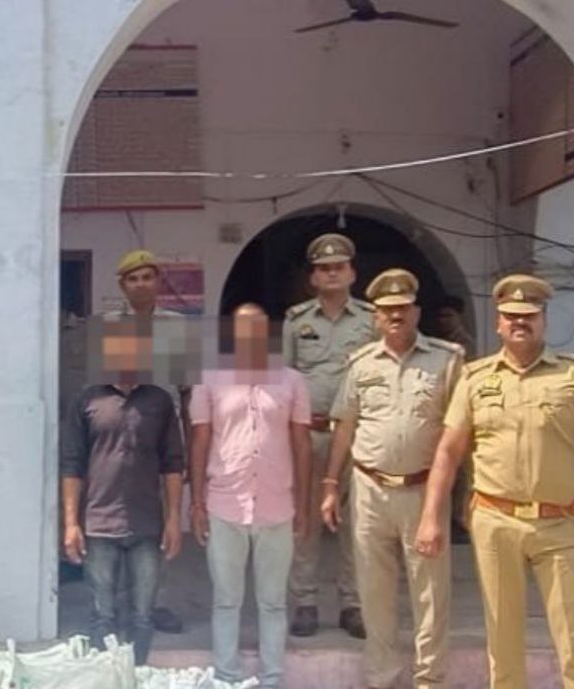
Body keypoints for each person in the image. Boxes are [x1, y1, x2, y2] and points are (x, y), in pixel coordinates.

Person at [415, 274, 574, 689]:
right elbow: (448, 451)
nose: (520, 322)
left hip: (560, 524)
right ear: (498, 322)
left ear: (543, 319)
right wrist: (431, 517)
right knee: (502, 642)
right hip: (495, 521)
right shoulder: (475, 378)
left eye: (529, 315)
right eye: (511, 315)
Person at [321, 269, 463, 688]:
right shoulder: (361, 363)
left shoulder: (447, 360)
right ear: (376, 318)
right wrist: (330, 485)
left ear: (416, 312)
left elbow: (461, 434)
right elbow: (344, 426)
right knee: (374, 590)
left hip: (424, 490)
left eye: (403, 308)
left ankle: (430, 679)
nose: (396, 316)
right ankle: (382, 676)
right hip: (369, 489)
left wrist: (463, 496)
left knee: (430, 592)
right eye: (387, 310)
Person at [190, 303, 313, 687]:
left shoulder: (292, 381)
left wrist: (303, 504)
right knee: (227, 600)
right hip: (224, 504)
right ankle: (226, 678)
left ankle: (271, 678)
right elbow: (199, 441)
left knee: (273, 602)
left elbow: (302, 444)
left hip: (277, 506)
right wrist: (196, 503)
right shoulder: (209, 379)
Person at [61, 316, 185, 665]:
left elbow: (173, 464)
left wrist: (174, 519)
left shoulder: (159, 401)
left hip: (147, 525)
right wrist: (71, 524)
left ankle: (135, 676)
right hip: (99, 525)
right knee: (103, 618)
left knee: (142, 618)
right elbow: (71, 465)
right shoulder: (87, 401)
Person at [283, 232, 376, 638]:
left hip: (359, 435)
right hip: (312, 433)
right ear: (313, 277)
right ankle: (305, 601)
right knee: (306, 520)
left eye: (339, 267)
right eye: (324, 268)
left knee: (357, 523)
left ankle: (352, 603)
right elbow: (284, 380)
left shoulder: (372, 320)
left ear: (352, 272)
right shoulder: (296, 321)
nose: (332, 273)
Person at [100, 248, 190, 635]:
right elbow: (97, 390)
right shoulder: (108, 326)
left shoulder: (177, 327)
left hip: (163, 436)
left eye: (147, 277)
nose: (140, 284)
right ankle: (119, 603)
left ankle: (156, 602)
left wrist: (189, 447)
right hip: (118, 435)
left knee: (164, 521)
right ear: (122, 286)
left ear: (158, 282)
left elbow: (187, 391)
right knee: (117, 519)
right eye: (132, 279)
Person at [432, 295, 477, 545]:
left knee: (461, 475)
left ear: (459, 317)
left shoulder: (467, 347)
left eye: (448, 316)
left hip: (461, 418)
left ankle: (458, 521)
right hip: (439, 418)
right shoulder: (435, 346)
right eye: (440, 317)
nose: (444, 322)